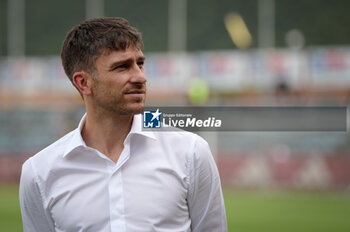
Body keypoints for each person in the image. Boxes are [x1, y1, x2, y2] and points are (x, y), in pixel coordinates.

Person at [19, 17, 227, 232]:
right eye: (122, 67)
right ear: (83, 82)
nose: (140, 77)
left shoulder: (190, 151)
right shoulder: (39, 173)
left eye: (140, 64)